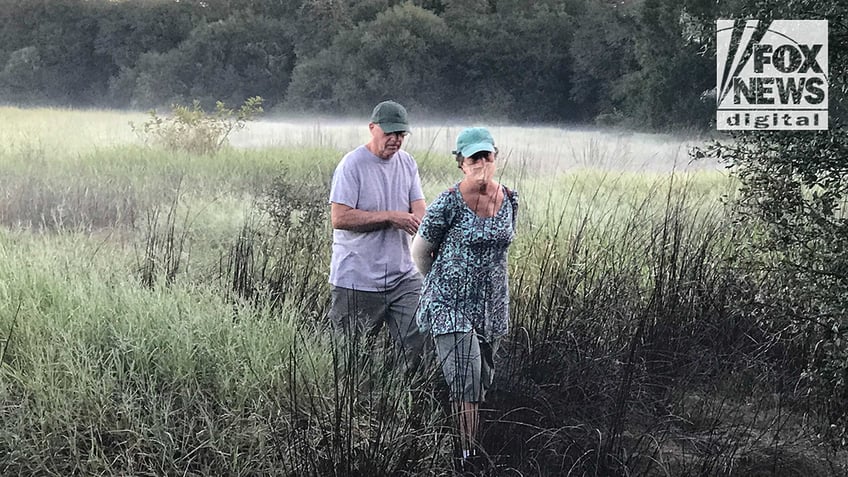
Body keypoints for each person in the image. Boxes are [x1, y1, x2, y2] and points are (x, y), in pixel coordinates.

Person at [411, 127, 518, 466]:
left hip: (491, 306)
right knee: (466, 383)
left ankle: (459, 438)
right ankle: (466, 457)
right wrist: (442, 284)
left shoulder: (510, 199)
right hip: (449, 305)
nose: (481, 163)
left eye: (486, 156)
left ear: (495, 157)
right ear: (461, 163)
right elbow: (420, 252)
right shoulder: (448, 202)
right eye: (474, 158)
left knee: (481, 381)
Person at [328, 100, 427, 371]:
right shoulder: (352, 165)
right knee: (349, 357)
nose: (395, 140)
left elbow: (419, 207)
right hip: (356, 278)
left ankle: (398, 397)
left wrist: (420, 220)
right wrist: (390, 217)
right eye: (390, 133)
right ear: (372, 128)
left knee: (418, 337)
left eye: (401, 134)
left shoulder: (407, 163)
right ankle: (358, 404)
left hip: (403, 276)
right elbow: (340, 218)